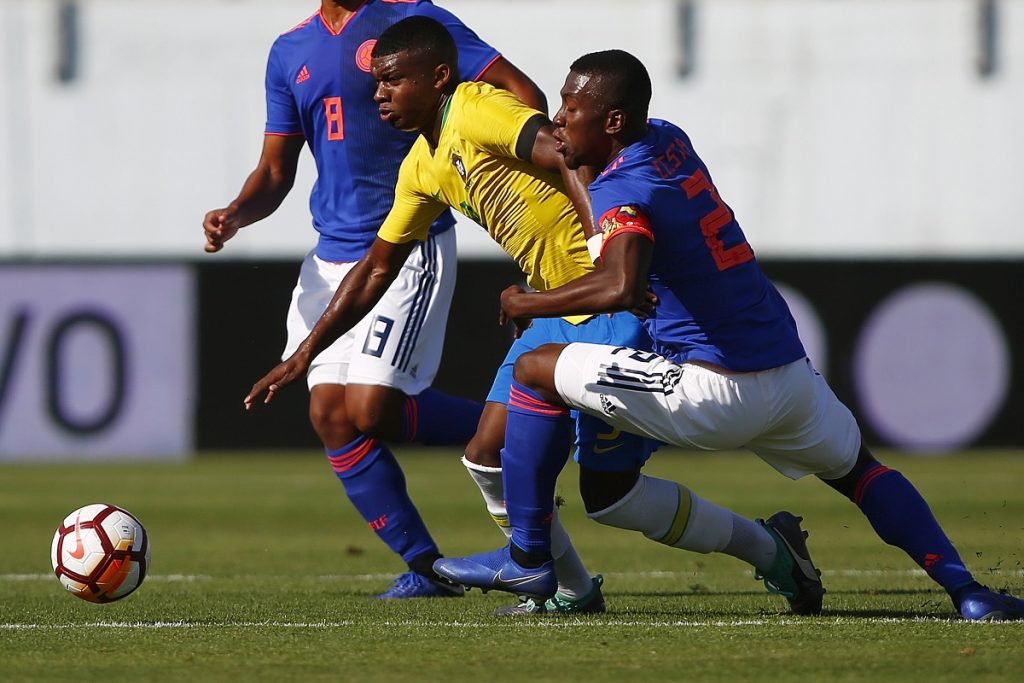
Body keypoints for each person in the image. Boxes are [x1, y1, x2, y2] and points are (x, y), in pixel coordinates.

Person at [246, 17, 828, 617]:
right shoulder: (421, 166)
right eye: (376, 84)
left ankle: (770, 550)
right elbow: (374, 269)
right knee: (484, 454)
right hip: (555, 305)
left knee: (611, 497)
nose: (379, 95)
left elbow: (566, 153)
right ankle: (568, 589)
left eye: (392, 80)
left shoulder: (476, 108)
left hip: (603, 302)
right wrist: (305, 353)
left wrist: (607, 254)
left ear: (439, 78)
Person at [436, 50, 1024, 621]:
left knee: (537, 366)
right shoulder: (668, 137)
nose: (557, 118)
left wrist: (526, 299)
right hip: (790, 378)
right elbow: (628, 240)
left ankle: (528, 558)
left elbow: (618, 283)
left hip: (711, 390)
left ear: (612, 120)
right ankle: (968, 590)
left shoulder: (623, 191)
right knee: (861, 473)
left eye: (569, 106)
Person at [202, 0, 547, 600]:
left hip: (408, 244)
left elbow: (522, 93)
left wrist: (484, 169)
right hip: (331, 257)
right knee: (331, 417)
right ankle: (428, 568)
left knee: (368, 406)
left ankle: (532, 427)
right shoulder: (290, 51)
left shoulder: (412, 19)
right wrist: (236, 213)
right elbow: (276, 170)